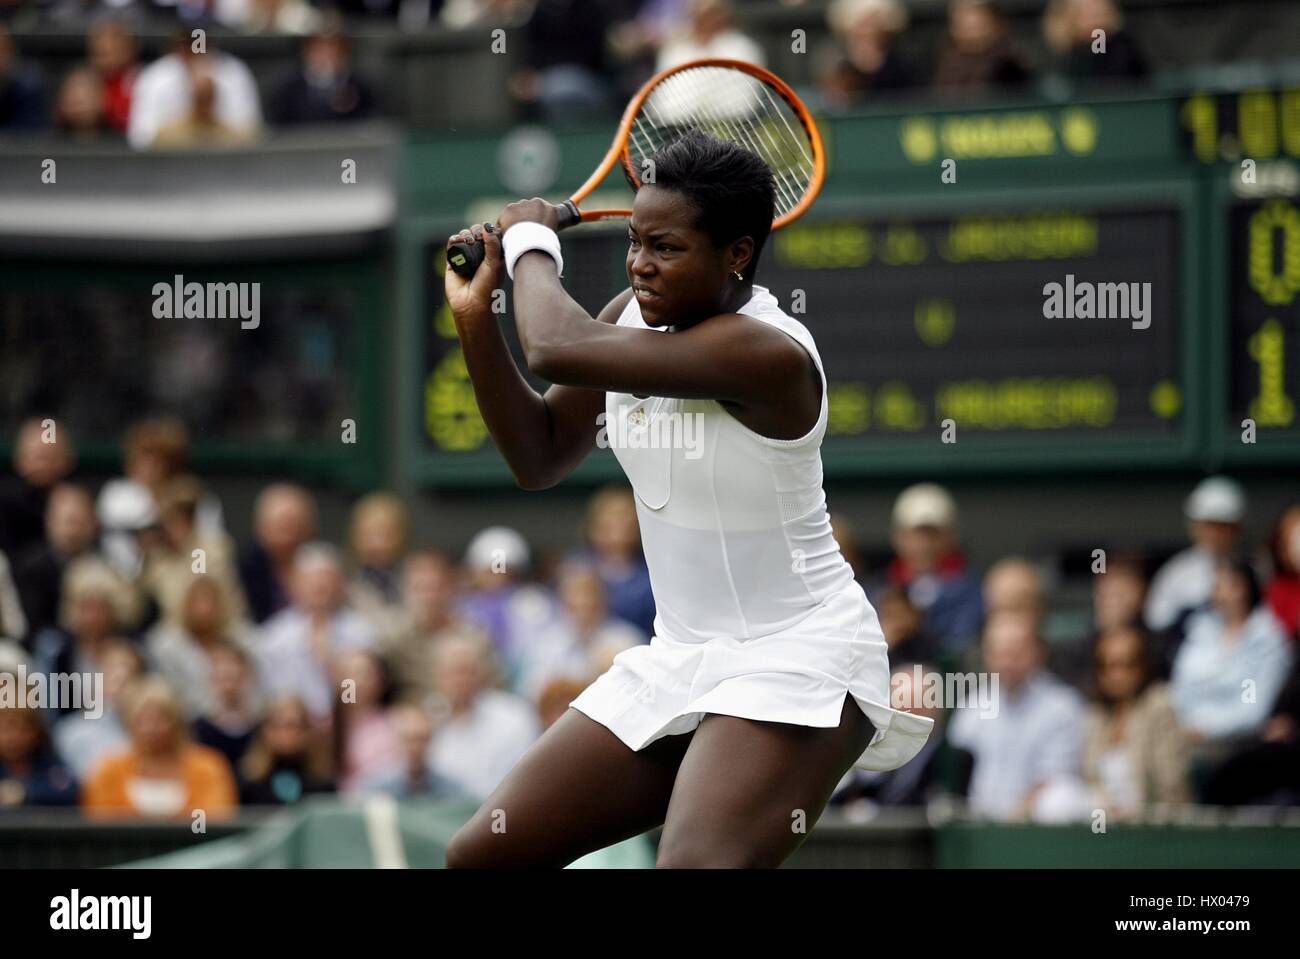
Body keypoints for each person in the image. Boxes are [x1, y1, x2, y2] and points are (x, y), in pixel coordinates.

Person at [440, 128, 934, 867]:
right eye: (636, 241)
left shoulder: (765, 353)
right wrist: (476, 319)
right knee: (482, 856)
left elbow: (550, 344)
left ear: (737, 253)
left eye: (665, 247)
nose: (640, 263)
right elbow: (539, 453)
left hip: (802, 658)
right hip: (682, 659)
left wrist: (531, 244)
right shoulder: (625, 318)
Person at [948, 611, 1085, 820]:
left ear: (1038, 652)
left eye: (1016, 653)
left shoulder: (1062, 707)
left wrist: (1011, 820)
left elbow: (1055, 780)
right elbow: (957, 773)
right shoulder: (973, 706)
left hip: (1035, 831)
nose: (1007, 662)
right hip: (978, 828)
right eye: (998, 653)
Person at [1170, 560, 1294, 760]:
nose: (1216, 594)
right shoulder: (1199, 631)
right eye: (1214, 586)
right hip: (1188, 739)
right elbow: (1181, 690)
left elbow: (1251, 707)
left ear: (1244, 588)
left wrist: (1206, 730)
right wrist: (1186, 726)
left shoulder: (1265, 641)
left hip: (1240, 747)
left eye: (1224, 586)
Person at [81, 676, 239, 819]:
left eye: (160, 719)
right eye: (143, 720)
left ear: (175, 721)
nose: (152, 728)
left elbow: (216, 819)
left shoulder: (208, 767)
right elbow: (99, 821)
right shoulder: (108, 769)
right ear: (130, 723)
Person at [1080, 627, 1190, 818]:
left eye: (1127, 664)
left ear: (1142, 667)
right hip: (1105, 823)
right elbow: (1089, 780)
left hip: (1155, 822)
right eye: (1109, 666)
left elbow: (1170, 783)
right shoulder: (1095, 716)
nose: (1118, 674)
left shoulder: (1160, 707)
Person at [876, 482, 984, 658]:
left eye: (932, 535)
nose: (923, 545)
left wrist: (915, 630)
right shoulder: (877, 589)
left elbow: (963, 647)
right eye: (915, 535)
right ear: (897, 537)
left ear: (951, 537)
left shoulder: (970, 592)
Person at [1144, 475, 1246, 642]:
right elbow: (1157, 624)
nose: (1214, 533)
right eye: (1208, 525)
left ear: (1236, 528)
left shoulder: (1253, 569)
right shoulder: (1176, 572)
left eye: (1221, 526)